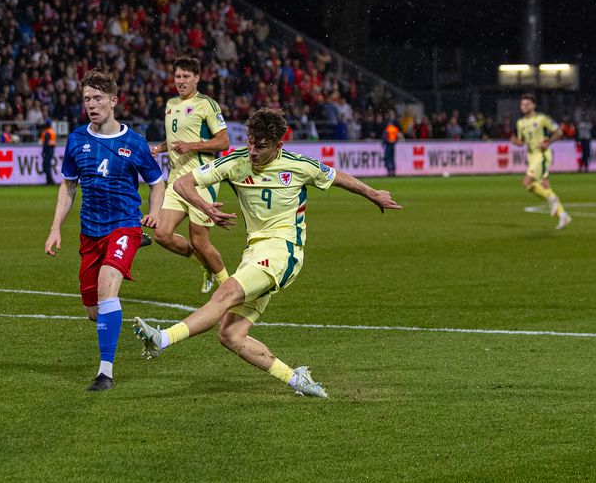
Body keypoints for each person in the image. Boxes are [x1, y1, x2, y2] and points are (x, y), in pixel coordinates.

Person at [132, 108, 402, 398]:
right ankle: (296, 379)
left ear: (277, 146)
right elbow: (183, 183)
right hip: (254, 252)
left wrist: (373, 194)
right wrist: (205, 206)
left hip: (284, 251)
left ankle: (162, 339)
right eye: (249, 142)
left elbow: (338, 177)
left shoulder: (298, 166)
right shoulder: (236, 163)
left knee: (226, 294)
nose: (252, 152)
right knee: (230, 335)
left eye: (260, 146)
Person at [45, 69, 165, 392]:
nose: (91, 104)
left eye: (98, 98)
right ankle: (126, 250)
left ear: (114, 101)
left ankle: (105, 372)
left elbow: (157, 183)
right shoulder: (77, 140)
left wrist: (154, 212)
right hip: (91, 232)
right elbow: (69, 186)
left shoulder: (134, 143)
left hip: (125, 223)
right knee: (93, 310)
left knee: (108, 283)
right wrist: (56, 227)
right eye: (86, 99)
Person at [149, 56, 231, 294]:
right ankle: (204, 265)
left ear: (197, 78)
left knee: (199, 241)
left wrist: (193, 145)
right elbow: (175, 140)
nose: (181, 81)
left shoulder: (207, 104)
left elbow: (223, 141)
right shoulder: (171, 104)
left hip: (201, 179)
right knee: (162, 235)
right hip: (175, 180)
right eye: (177, 76)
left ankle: (228, 288)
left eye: (186, 76)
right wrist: (159, 148)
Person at [511, 93, 572, 229]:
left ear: (533, 105)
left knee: (526, 183)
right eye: (522, 104)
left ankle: (552, 200)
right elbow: (522, 142)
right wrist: (516, 142)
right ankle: (563, 215)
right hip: (531, 156)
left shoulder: (542, 119)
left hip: (542, 155)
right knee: (545, 186)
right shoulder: (520, 123)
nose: (524, 107)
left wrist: (548, 142)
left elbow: (559, 132)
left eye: (527, 104)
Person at [382, 112, 401, 177]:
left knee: (388, 157)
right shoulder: (395, 128)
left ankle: (390, 170)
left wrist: (384, 142)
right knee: (391, 158)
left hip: (389, 144)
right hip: (391, 143)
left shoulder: (388, 128)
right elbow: (398, 136)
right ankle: (392, 171)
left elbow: (384, 136)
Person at [40, 119, 57, 185]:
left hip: (48, 150)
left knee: (46, 166)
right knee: (47, 165)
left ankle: (50, 180)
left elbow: (45, 143)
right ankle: (49, 180)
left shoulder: (47, 132)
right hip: (51, 149)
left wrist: (43, 151)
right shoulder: (52, 131)